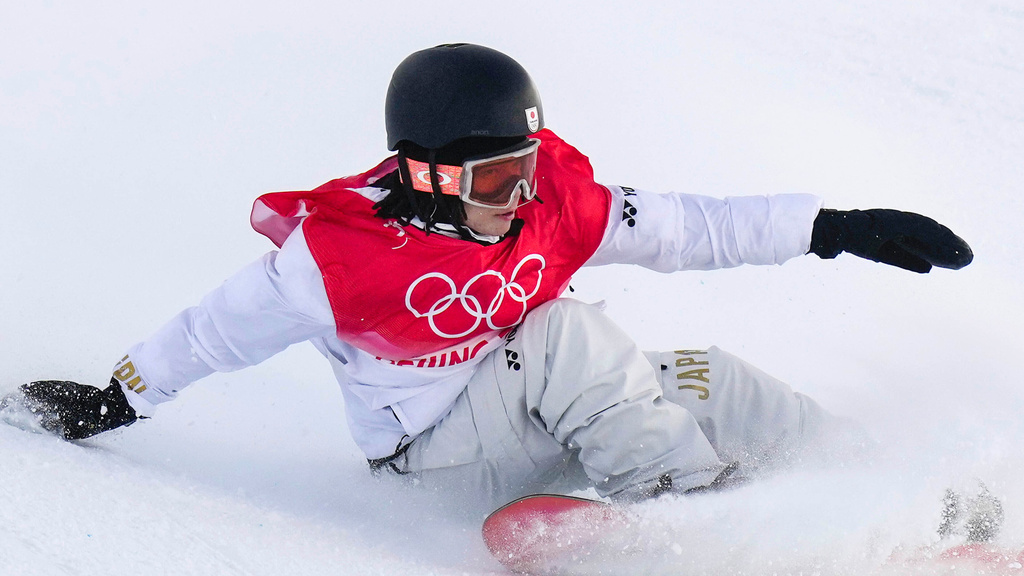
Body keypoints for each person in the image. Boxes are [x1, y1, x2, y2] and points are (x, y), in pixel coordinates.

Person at [2, 43, 972, 508]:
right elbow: (211, 331)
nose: (522, 193)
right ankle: (688, 523)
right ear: (426, 172)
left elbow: (681, 226)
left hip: (540, 417)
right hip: (433, 460)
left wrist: (829, 225)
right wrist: (116, 398)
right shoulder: (337, 257)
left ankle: (878, 492)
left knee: (707, 376)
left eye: (528, 165)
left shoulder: (547, 200)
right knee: (567, 334)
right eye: (499, 177)